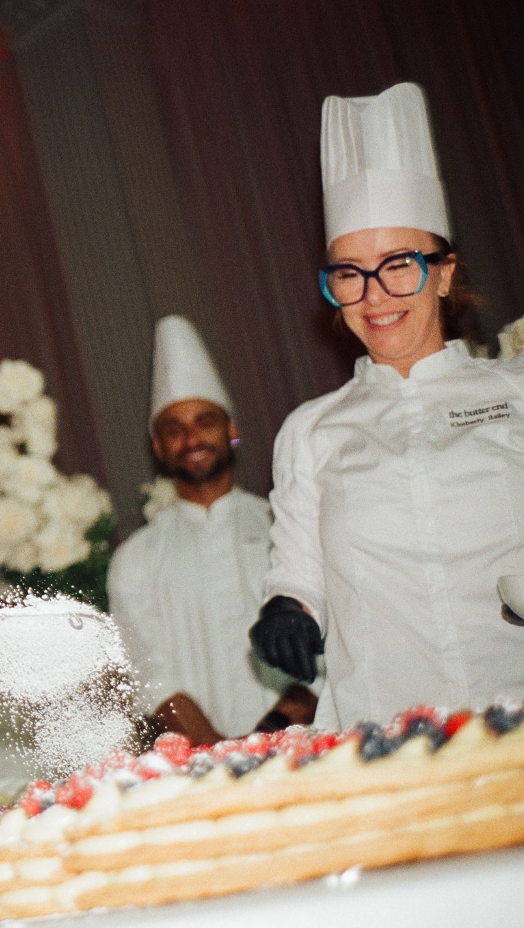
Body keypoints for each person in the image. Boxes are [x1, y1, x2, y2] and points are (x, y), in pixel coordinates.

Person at [255, 82, 524, 729]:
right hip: (386, 737)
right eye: (349, 272)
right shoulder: (311, 430)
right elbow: (298, 574)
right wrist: (287, 610)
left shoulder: (514, 393)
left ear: (445, 271)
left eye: (398, 263)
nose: (374, 294)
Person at [109, 316, 315, 747]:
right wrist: (220, 753)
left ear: (231, 430)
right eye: (174, 429)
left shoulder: (286, 523)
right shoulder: (136, 557)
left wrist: (272, 730)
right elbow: (148, 672)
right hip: (203, 765)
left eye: (205, 421)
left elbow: (327, 637)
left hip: (309, 741)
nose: (191, 438)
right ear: (159, 448)